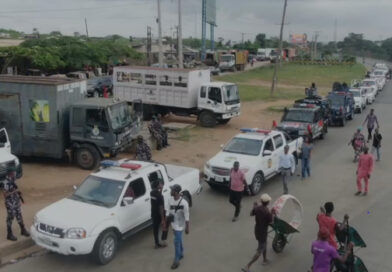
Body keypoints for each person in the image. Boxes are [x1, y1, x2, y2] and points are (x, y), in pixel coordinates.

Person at [242, 194, 273, 272]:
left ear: (261, 201)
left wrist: (254, 206)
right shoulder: (267, 212)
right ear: (268, 202)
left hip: (257, 230)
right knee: (260, 250)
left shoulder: (257, 208)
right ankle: (247, 266)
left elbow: (251, 214)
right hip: (263, 233)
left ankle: (265, 260)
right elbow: (271, 223)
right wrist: (272, 213)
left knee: (264, 243)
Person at [0, 168, 30, 241]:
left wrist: (18, 193)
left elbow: (16, 188)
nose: (15, 173)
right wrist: (15, 191)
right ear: (10, 173)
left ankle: (23, 230)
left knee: (19, 214)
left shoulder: (13, 179)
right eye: (13, 172)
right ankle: (9, 234)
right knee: (11, 216)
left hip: (16, 200)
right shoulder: (4, 182)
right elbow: (5, 195)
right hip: (9, 202)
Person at [167, 184, 189, 270]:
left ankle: (176, 260)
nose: (170, 191)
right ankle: (181, 253)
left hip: (180, 225)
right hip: (173, 223)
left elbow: (187, 215)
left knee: (176, 242)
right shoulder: (170, 200)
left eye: (171, 190)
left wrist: (187, 227)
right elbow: (168, 210)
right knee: (178, 239)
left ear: (175, 192)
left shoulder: (184, 203)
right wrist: (166, 221)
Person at [150, 180, 167, 249]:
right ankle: (163, 242)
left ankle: (156, 243)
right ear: (157, 186)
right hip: (159, 214)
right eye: (160, 184)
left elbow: (158, 196)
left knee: (155, 229)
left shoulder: (152, 193)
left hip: (153, 213)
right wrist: (163, 219)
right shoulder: (160, 196)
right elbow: (161, 208)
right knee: (164, 227)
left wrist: (161, 190)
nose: (161, 185)